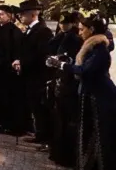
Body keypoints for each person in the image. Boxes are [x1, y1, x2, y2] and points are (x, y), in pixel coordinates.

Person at [46, 14, 116, 170]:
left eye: (82, 29)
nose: (80, 33)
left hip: (100, 98)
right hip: (90, 96)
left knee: (100, 135)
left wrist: (62, 65)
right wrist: (68, 60)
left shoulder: (100, 50)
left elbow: (85, 70)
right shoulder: (92, 48)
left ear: (91, 30)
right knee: (88, 133)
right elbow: (82, 65)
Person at [46, 11, 83, 166]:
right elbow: (51, 46)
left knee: (66, 120)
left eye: (65, 23)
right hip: (60, 80)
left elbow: (75, 62)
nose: (62, 25)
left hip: (68, 83)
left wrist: (62, 61)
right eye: (61, 23)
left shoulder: (74, 38)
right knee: (59, 118)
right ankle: (58, 151)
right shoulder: (63, 35)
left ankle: (65, 154)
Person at [16, 0, 53, 145]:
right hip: (30, 75)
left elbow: (40, 55)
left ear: (32, 15)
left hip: (38, 77)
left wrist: (22, 62)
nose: (21, 18)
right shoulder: (30, 30)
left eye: (23, 15)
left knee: (39, 107)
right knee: (34, 106)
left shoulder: (42, 31)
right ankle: (39, 133)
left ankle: (43, 136)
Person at [0, 5, 26, 135]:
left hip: (7, 71)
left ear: (9, 16)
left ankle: (9, 124)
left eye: (2, 14)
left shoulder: (14, 31)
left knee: (8, 98)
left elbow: (16, 50)